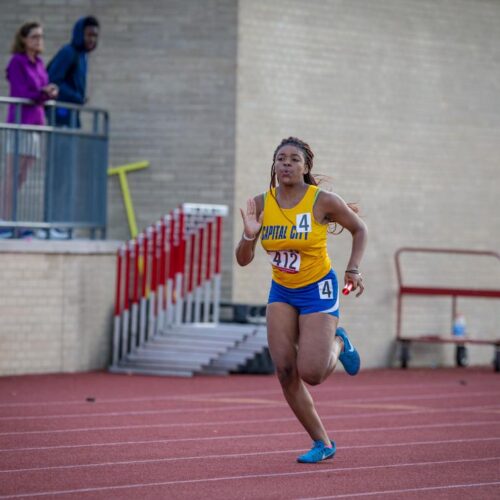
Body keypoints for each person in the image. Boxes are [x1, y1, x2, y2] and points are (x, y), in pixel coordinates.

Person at [236, 137, 367, 464]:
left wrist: (353, 269)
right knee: (284, 371)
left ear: (306, 167)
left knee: (312, 373)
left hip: (318, 288)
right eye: (281, 158)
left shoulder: (322, 201)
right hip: (282, 290)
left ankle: (339, 340)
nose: (286, 164)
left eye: (294, 159)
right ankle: (322, 442)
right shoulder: (261, 204)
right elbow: (242, 259)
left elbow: (359, 229)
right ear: (274, 165)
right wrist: (250, 234)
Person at [1, 21, 58, 239]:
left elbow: (42, 88)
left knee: (22, 176)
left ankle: (11, 218)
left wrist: (50, 90)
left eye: (40, 37)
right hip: (20, 121)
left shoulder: (40, 63)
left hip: (36, 123)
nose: (38, 41)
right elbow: (22, 91)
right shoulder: (18, 62)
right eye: (34, 37)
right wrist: (44, 93)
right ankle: (4, 221)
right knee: (11, 173)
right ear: (24, 39)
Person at [46, 15, 100, 127]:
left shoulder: (82, 56)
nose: (92, 40)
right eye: (89, 35)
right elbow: (53, 81)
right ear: (80, 33)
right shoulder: (69, 52)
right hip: (61, 111)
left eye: (95, 36)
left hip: (72, 111)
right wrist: (76, 97)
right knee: (62, 142)